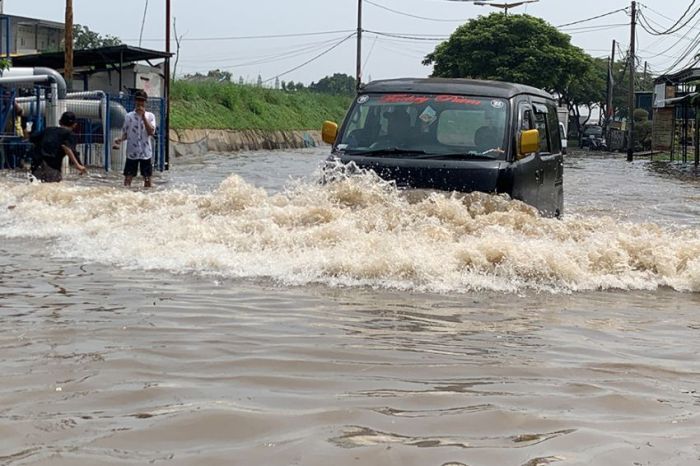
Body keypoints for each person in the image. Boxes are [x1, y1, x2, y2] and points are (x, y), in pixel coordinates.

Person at [114, 90, 156, 187]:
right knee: (128, 178)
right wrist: (120, 139)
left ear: (145, 102)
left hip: (145, 153)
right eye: (138, 100)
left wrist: (143, 117)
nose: (140, 103)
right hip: (132, 153)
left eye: (142, 101)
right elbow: (126, 133)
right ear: (135, 101)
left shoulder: (150, 116)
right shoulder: (129, 116)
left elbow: (151, 132)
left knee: (147, 179)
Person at [29, 111, 87, 182]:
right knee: (52, 187)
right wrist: (78, 165)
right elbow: (66, 147)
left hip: (36, 164)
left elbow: (32, 138)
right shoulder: (70, 134)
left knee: (35, 186)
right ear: (74, 125)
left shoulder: (48, 130)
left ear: (60, 122)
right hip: (51, 167)